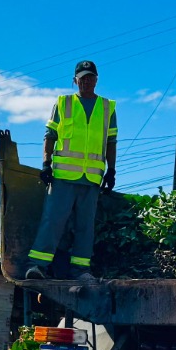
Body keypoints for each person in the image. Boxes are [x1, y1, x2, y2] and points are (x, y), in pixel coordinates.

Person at [23, 59, 117, 283]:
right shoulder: (63, 103)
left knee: (86, 227)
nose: (86, 81)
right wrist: (46, 164)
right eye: (82, 78)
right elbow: (50, 135)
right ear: (75, 80)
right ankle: (37, 266)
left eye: (90, 77)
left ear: (96, 80)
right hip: (63, 176)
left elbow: (111, 141)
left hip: (92, 178)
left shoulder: (107, 107)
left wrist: (111, 170)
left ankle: (80, 271)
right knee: (53, 221)